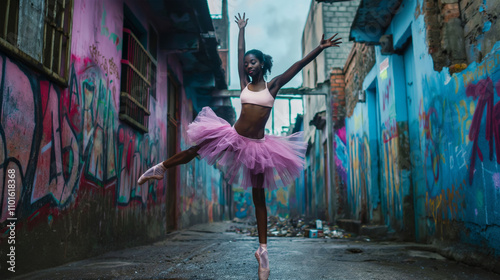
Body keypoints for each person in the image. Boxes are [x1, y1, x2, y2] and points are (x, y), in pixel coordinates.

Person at [137, 12, 341, 280]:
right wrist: (241, 29)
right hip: (233, 136)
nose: (248, 66)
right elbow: (238, 52)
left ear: (262, 65)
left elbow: (298, 65)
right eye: (246, 64)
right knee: (195, 150)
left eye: (253, 62)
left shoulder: (274, 85)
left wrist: (320, 48)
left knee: (259, 199)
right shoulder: (243, 85)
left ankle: (263, 252)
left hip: (258, 147)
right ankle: (160, 167)